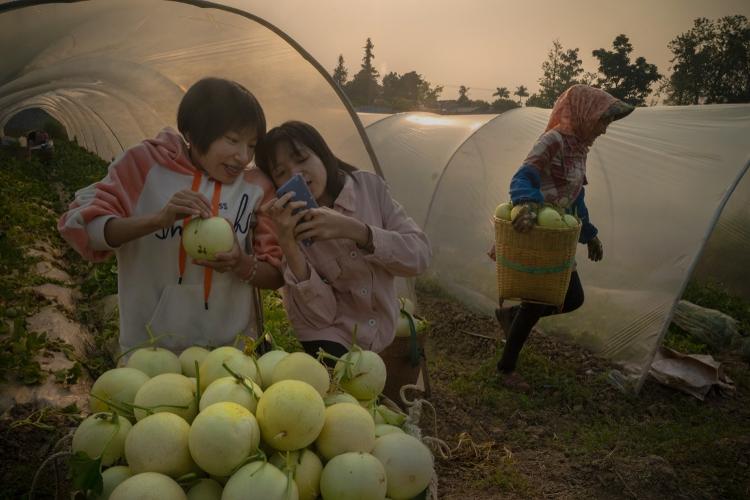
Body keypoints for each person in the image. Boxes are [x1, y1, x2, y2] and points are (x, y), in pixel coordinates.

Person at [58, 77, 283, 354]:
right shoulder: (146, 166)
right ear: (192, 132)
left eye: (251, 145)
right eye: (233, 140)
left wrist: (240, 263)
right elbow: (84, 230)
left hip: (230, 353)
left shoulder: (256, 187)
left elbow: (275, 274)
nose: (242, 156)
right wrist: (158, 220)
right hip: (151, 350)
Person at [490, 84, 634, 391]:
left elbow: (575, 197)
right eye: (603, 121)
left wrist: (590, 235)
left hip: (558, 235)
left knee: (572, 298)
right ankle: (506, 369)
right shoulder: (553, 139)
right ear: (585, 113)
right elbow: (523, 175)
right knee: (537, 302)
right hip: (537, 232)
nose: (604, 130)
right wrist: (527, 203)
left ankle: (511, 316)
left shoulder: (579, 148)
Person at [254, 120, 431, 359]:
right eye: (281, 173)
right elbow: (321, 316)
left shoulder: (369, 189)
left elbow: (419, 257)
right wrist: (288, 244)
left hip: (381, 330)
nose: (295, 173)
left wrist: (358, 231)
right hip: (329, 334)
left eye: (302, 159)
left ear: (323, 154)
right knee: (345, 388)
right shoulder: (289, 224)